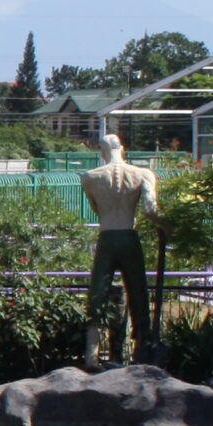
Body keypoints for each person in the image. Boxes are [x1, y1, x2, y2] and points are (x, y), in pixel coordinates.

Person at [78, 133, 159, 367]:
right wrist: (167, 226)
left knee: (97, 294)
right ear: (122, 148)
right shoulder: (143, 174)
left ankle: (91, 355)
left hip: (106, 238)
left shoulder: (90, 177)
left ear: (102, 151)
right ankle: (142, 350)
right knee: (138, 291)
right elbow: (150, 210)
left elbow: (97, 209)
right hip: (129, 237)